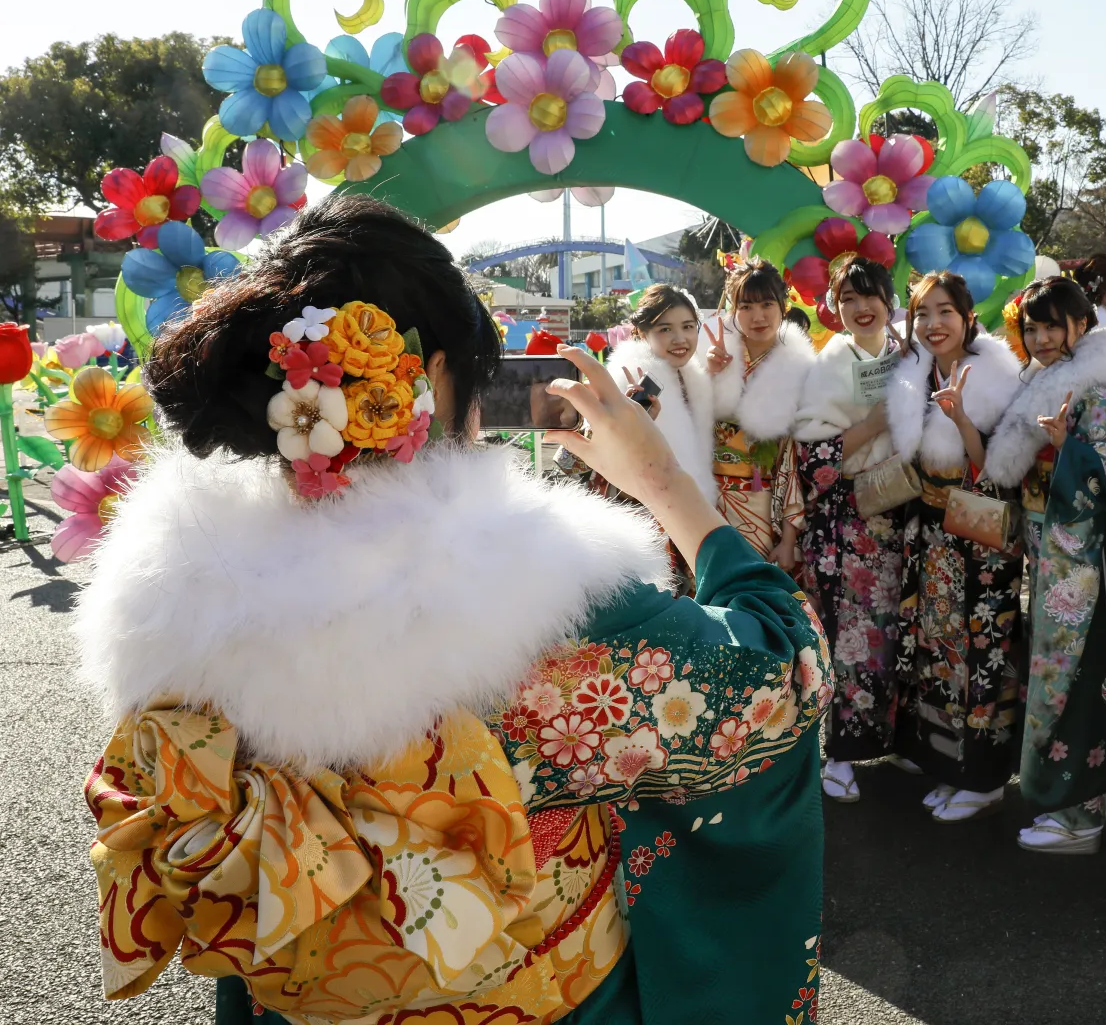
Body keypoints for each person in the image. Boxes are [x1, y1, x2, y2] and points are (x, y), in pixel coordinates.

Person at [75, 194, 831, 1023]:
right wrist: (664, 483)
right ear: (430, 375)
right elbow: (783, 673)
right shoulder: (542, 601)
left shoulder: (178, 585)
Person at [981, 276, 1106, 853]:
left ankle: (1081, 814)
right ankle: (1061, 800)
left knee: (1075, 672)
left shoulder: (1096, 390)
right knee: (1051, 672)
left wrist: (1067, 446)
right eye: (1032, 327)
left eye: (1053, 325)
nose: (1041, 338)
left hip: (1082, 557)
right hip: (1052, 548)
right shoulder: (1046, 381)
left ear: (1082, 324)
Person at [885, 270, 1025, 821]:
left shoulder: (996, 374)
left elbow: (997, 466)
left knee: (982, 649)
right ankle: (950, 766)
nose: (933, 323)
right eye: (922, 313)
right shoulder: (917, 372)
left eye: (945, 311)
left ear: (969, 317)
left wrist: (961, 418)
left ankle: (985, 777)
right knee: (939, 651)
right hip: (933, 531)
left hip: (980, 535)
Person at [794, 257, 907, 802]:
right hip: (844, 521)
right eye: (848, 299)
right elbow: (812, 460)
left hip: (899, 513)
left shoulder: (908, 356)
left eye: (870, 296)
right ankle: (837, 751)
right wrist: (874, 424)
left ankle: (892, 738)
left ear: (889, 301)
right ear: (834, 309)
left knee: (895, 630)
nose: (862, 308)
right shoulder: (828, 365)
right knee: (845, 634)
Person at [558, 284, 715, 592]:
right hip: (642, 513)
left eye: (688, 327)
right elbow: (578, 456)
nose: (680, 338)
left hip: (676, 506)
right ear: (642, 332)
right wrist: (628, 424)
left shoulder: (690, 377)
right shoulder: (625, 376)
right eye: (665, 329)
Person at [702, 257, 816, 568]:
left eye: (767, 304)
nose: (758, 316)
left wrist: (789, 538)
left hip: (767, 502)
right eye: (746, 306)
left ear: (783, 306)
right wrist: (707, 375)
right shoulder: (712, 355)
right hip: (711, 500)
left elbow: (794, 458)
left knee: (761, 584)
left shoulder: (801, 367)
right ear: (733, 311)